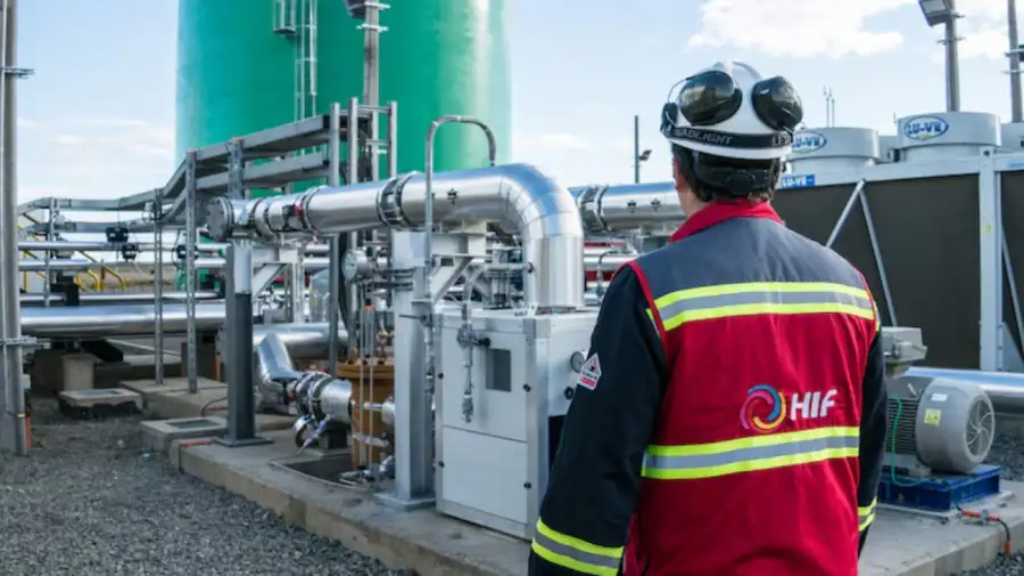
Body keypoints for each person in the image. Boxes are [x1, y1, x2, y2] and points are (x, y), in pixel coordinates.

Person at [528, 61, 887, 576]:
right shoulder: (850, 288)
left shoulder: (650, 290)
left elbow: (594, 478)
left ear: (678, 170)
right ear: (777, 173)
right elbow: (865, 463)